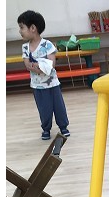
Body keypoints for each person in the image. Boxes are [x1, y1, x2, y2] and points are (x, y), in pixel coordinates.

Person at [17, 10, 70, 140]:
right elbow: (28, 65)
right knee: (44, 109)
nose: (20, 31)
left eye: (22, 27)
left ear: (33, 28)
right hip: (37, 86)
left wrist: (38, 66)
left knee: (59, 107)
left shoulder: (47, 45)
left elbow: (51, 64)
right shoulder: (25, 47)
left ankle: (63, 127)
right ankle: (46, 129)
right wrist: (40, 66)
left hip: (53, 84)